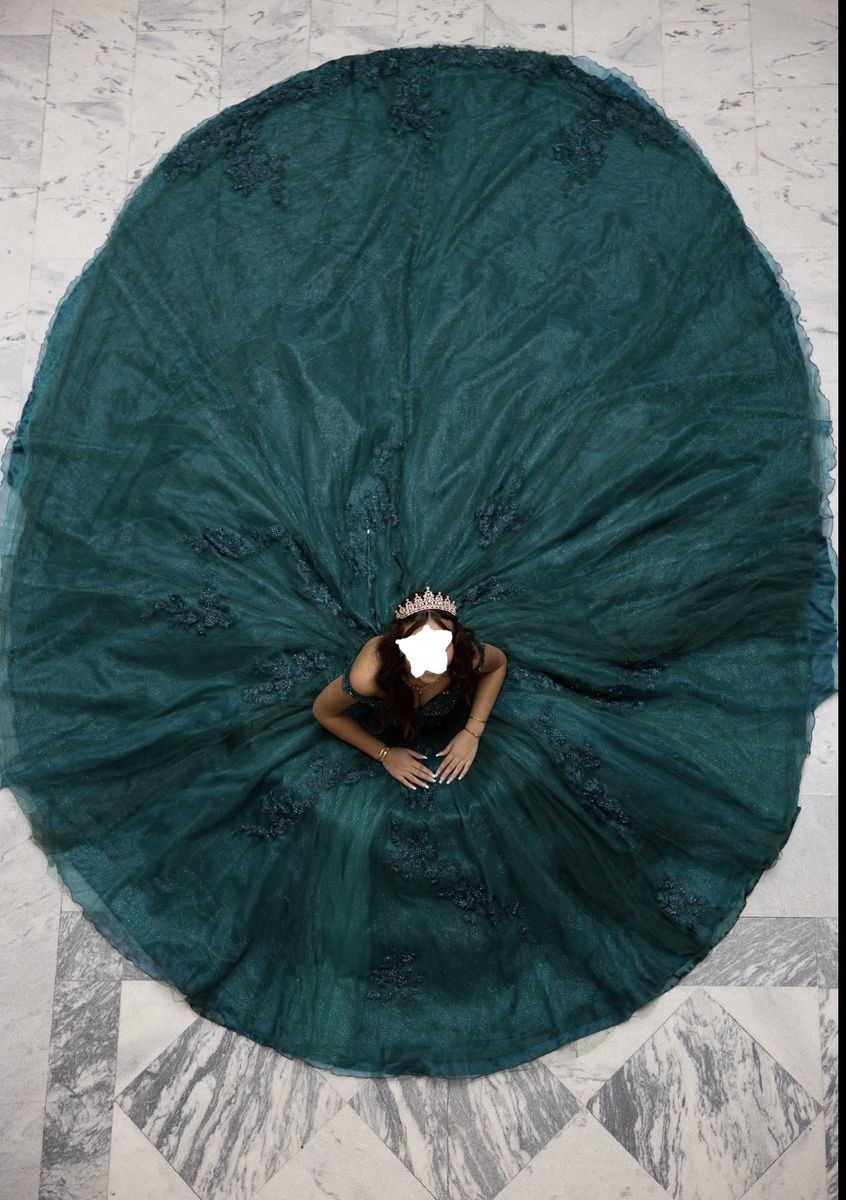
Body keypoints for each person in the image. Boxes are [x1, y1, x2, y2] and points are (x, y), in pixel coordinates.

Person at [312, 586, 508, 789]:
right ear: (400, 646)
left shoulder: (465, 655)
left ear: (454, 642)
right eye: (419, 645)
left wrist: (473, 730)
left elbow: (499, 664)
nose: (431, 658)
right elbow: (323, 711)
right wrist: (384, 753)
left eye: (441, 645)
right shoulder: (368, 677)